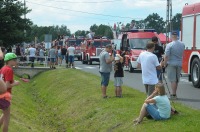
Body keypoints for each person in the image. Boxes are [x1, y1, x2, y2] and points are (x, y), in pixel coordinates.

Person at [0, 53, 20, 132]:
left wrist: (13, 81)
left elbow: (3, 80)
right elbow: (7, 85)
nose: (16, 62)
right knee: (7, 119)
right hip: (5, 95)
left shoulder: (3, 68)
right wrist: (15, 83)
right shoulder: (9, 70)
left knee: (4, 114)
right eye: (14, 60)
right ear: (8, 61)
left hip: (0, 94)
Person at [163, 31, 185, 99]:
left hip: (171, 63)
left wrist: (164, 64)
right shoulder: (182, 44)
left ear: (171, 36)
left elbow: (166, 56)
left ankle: (173, 94)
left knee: (173, 80)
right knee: (176, 80)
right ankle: (174, 93)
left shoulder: (169, 45)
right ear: (177, 36)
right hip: (179, 63)